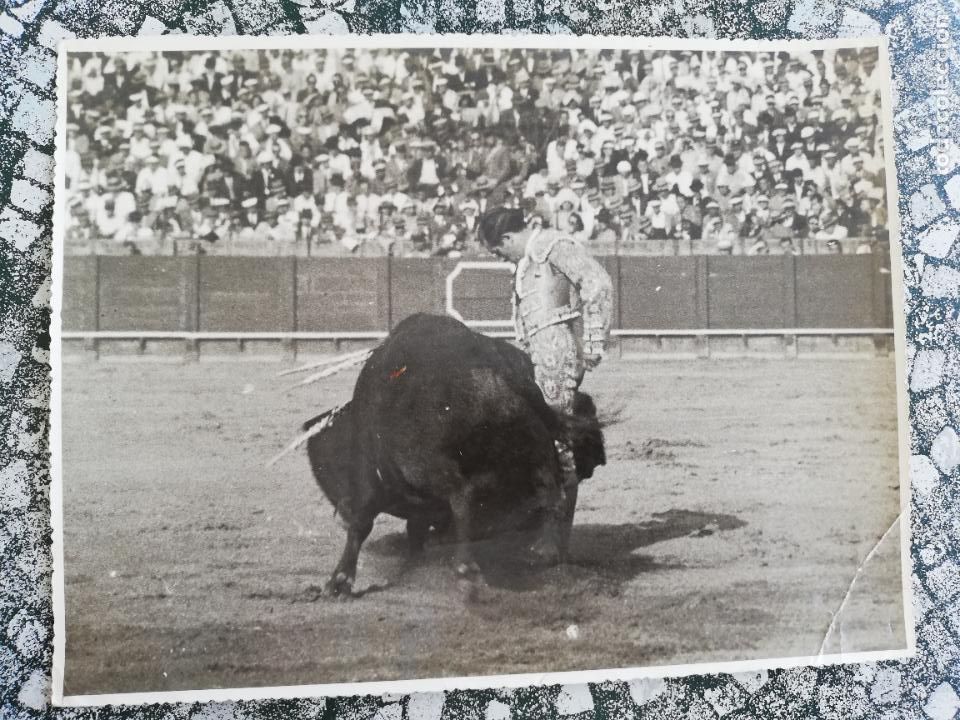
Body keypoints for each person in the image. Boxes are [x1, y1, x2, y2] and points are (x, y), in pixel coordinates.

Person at [477, 206, 613, 560]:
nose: (501, 258)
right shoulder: (530, 260)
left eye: (498, 251)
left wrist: (594, 342)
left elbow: (597, 283)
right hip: (536, 357)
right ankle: (536, 530)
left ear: (507, 238)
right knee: (535, 440)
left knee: (556, 444)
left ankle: (555, 540)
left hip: (556, 355)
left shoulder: (553, 245)